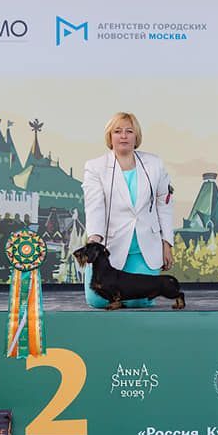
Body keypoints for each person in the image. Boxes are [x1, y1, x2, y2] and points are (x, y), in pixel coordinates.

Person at [82, 112, 175, 308]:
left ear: (136, 136)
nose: (123, 136)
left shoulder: (155, 164)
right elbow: (94, 206)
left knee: (140, 300)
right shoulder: (95, 167)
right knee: (98, 299)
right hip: (111, 248)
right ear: (110, 137)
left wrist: (167, 243)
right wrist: (94, 239)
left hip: (144, 248)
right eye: (117, 131)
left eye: (129, 131)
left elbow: (164, 204)